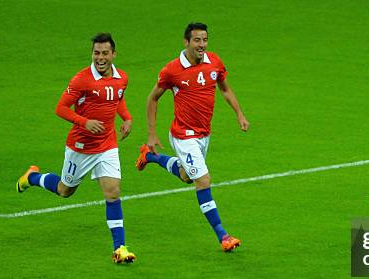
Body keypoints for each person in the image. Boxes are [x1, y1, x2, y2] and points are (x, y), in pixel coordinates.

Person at [16, 33, 136, 264]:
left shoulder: (122, 78)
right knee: (64, 190)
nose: (100, 58)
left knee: (113, 192)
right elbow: (60, 108)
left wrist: (127, 118)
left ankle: (120, 248)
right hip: (80, 146)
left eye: (104, 53)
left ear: (114, 54)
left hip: (107, 145)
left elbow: (117, 98)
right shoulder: (82, 79)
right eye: (96, 53)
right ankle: (32, 177)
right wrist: (84, 122)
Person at [136, 22, 250, 252]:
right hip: (183, 135)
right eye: (197, 40)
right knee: (203, 180)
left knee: (186, 176)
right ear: (186, 42)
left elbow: (225, 89)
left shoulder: (214, 62)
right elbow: (152, 99)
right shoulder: (172, 70)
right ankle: (223, 236)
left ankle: (149, 157)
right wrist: (151, 133)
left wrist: (239, 114)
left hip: (203, 135)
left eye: (205, 40)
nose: (202, 45)